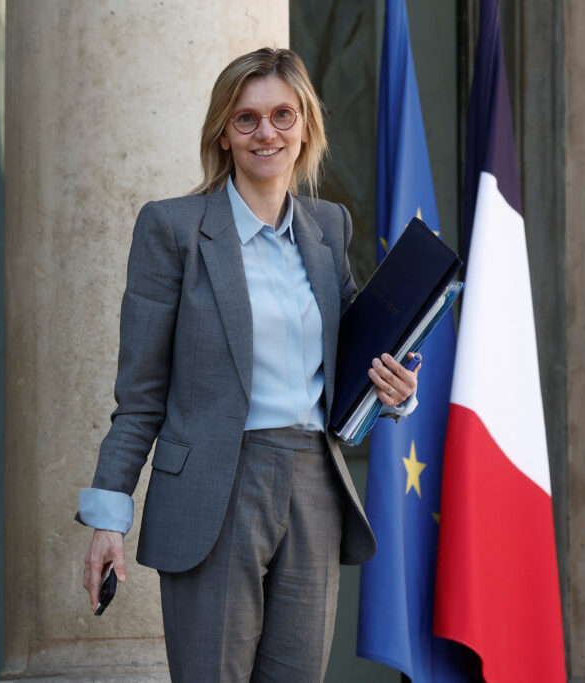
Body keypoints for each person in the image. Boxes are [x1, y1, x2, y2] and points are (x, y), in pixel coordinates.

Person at [77, 47, 420, 682]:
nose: (267, 132)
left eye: (283, 115)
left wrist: (393, 393)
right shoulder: (173, 229)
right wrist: (107, 518)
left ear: (307, 128)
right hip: (216, 486)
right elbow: (141, 394)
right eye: (247, 119)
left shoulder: (327, 229)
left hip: (314, 484)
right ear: (224, 134)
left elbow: (350, 366)